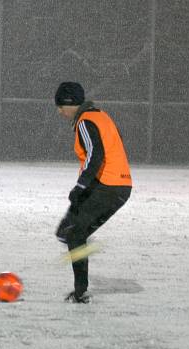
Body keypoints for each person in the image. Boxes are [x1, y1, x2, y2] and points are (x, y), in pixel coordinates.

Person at [54, 82, 132, 303]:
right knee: (70, 232)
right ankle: (81, 290)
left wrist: (80, 186)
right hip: (119, 186)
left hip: (106, 185)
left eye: (61, 106)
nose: (59, 111)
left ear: (71, 104)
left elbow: (95, 155)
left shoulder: (85, 121)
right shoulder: (100, 116)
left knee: (72, 233)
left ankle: (81, 292)